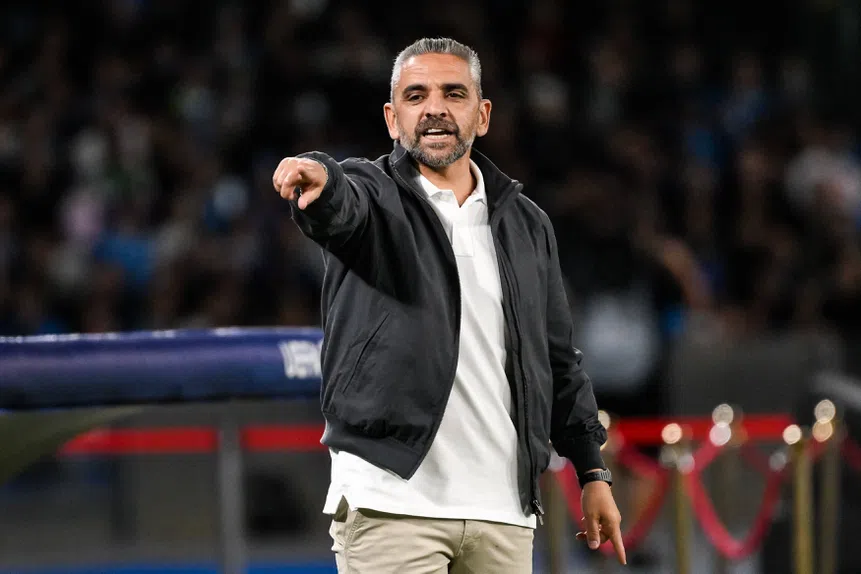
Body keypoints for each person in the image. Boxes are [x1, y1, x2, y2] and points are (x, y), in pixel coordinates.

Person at [272, 37, 625, 573]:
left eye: (453, 93)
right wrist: (321, 178)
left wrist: (592, 472)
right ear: (392, 119)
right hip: (392, 505)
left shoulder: (527, 224)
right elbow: (342, 203)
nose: (434, 108)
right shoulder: (374, 196)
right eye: (416, 96)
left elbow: (558, 361)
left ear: (482, 115)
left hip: (503, 512)